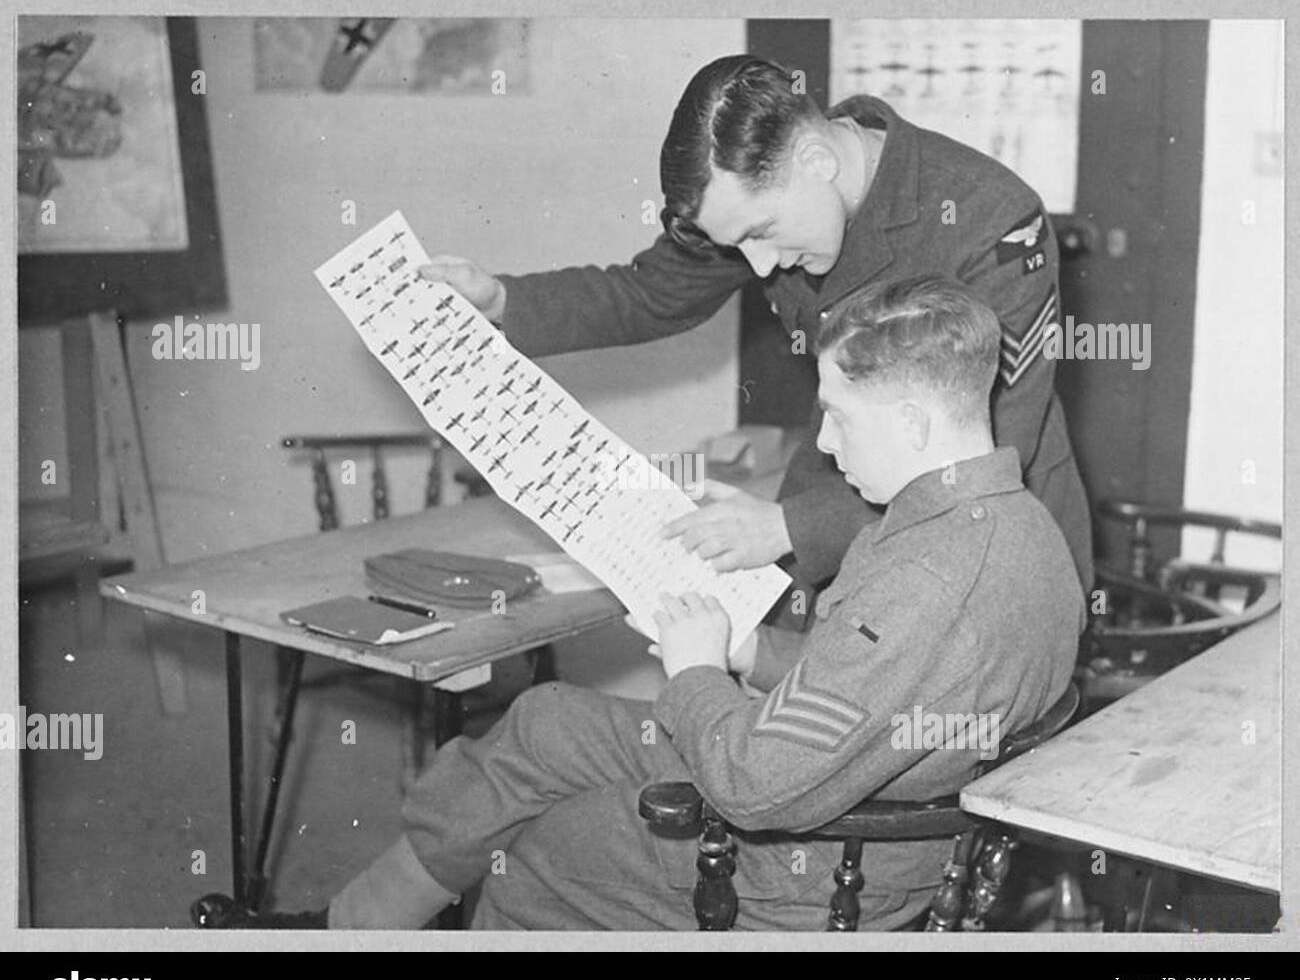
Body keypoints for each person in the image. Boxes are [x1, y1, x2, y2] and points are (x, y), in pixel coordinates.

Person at [206, 275, 1084, 931]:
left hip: (821, 857)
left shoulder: (932, 577)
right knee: (546, 718)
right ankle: (356, 925)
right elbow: (876, 692)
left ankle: (395, 921)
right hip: (850, 784)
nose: (821, 441)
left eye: (839, 416)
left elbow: (753, 782)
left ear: (918, 425)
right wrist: (745, 652)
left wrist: (697, 671)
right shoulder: (1019, 528)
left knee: (539, 849)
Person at [417, 55, 1093, 598]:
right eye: (740, 244)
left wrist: (787, 525)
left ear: (818, 161)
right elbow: (652, 291)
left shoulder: (989, 219)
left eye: (763, 234)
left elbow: (989, 446)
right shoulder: (757, 202)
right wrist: (503, 301)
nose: (759, 264)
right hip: (839, 511)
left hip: (988, 550)